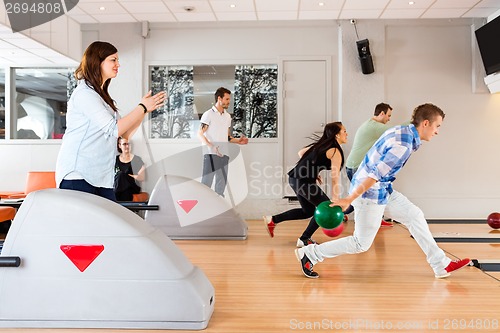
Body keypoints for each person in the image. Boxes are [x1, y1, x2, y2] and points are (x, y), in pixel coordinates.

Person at [295, 103, 471, 279]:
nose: (437, 131)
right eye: (437, 126)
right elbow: (374, 175)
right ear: (425, 123)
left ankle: (440, 264)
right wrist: (349, 199)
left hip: (382, 190)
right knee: (360, 243)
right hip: (369, 193)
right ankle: (310, 254)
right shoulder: (403, 145)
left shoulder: (402, 131)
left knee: (414, 215)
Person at [56, 41, 165, 201]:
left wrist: (144, 111)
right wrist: (141, 107)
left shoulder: (101, 96)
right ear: (97, 62)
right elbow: (115, 129)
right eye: (113, 60)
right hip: (79, 174)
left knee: (106, 225)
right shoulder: (84, 94)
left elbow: (124, 134)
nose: (118, 64)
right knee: (85, 226)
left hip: (100, 176)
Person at [263, 122, 348, 247]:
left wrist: (313, 171)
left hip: (295, 179)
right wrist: (336, 199)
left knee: (307, 211)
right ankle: (304, 239)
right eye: (344, 131)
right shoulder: (335, 151)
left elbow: (301, 153)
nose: (347, 134)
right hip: (303, 181)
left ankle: (273, 220)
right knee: (324, 209)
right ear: (336, 135)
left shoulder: (320, 145)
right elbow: (335, 177)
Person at [345, 102, 394, 227]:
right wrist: (415, 122)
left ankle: (377, 219)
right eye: (388, 115)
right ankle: (338, 212)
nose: (389, 119)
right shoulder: (374, 126)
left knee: (369, 192)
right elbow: (396, 131)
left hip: (355, 165)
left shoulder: (371, 125)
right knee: (360, 196)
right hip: (356, 166)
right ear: (381, 113)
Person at [198, 87, 248, 197]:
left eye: (229, 99)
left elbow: (227, 136)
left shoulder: (227, 116)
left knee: (220, 188)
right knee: (206, 185)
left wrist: (238, 141)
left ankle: (217, 211)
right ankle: (203, 210)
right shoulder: (208, 114)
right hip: (211, 154)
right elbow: (200, 134)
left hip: (224, 155)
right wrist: (211, 146)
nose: (229, 102)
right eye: (226, 99)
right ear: (219, 98)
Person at [114, 137, 145, 201]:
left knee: (121, 175)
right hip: (120, 187)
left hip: (132, 186)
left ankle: (115, 197)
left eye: (129, 144)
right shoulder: (115, 160)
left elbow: (142, 177)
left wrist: (127, 176)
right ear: (119, 145)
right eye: (124, 144)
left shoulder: (136, 159)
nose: (127, 146)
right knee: (124, 191)